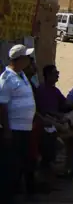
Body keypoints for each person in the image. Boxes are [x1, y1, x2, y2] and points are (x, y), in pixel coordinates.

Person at [0, 44, 37, 199]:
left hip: (25, 128)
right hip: (14, 129)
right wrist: (6, 130)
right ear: (19, 59)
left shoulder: (22, 75)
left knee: (23, 163)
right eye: (26, 57)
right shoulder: (6, 79)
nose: (29, 60)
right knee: (11, 166)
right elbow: (2, 106)